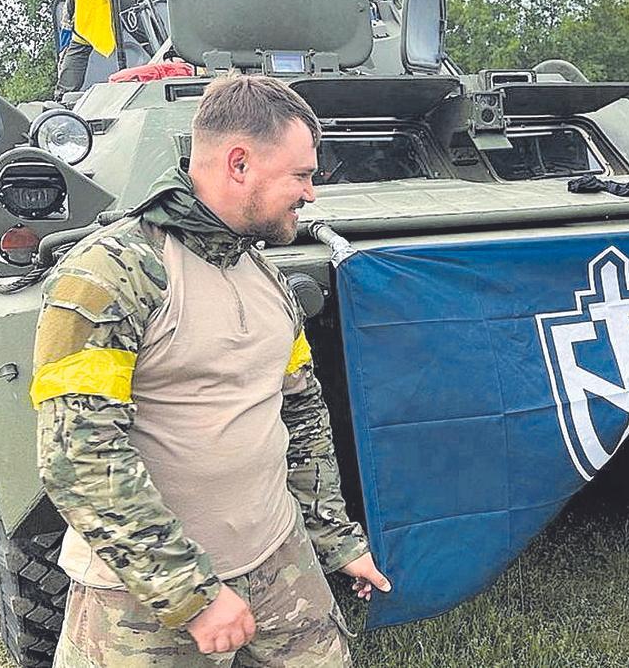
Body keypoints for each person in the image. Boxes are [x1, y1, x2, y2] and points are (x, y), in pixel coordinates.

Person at [32, 74, 390, 666]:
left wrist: (334, 539)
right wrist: (192, 597)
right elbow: (79, 457)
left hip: (277, 559)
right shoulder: (111, 273)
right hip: (141, 598)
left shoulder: (264, 272)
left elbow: (299, 414)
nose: (311, 194)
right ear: (240, 164)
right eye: (301, 175)